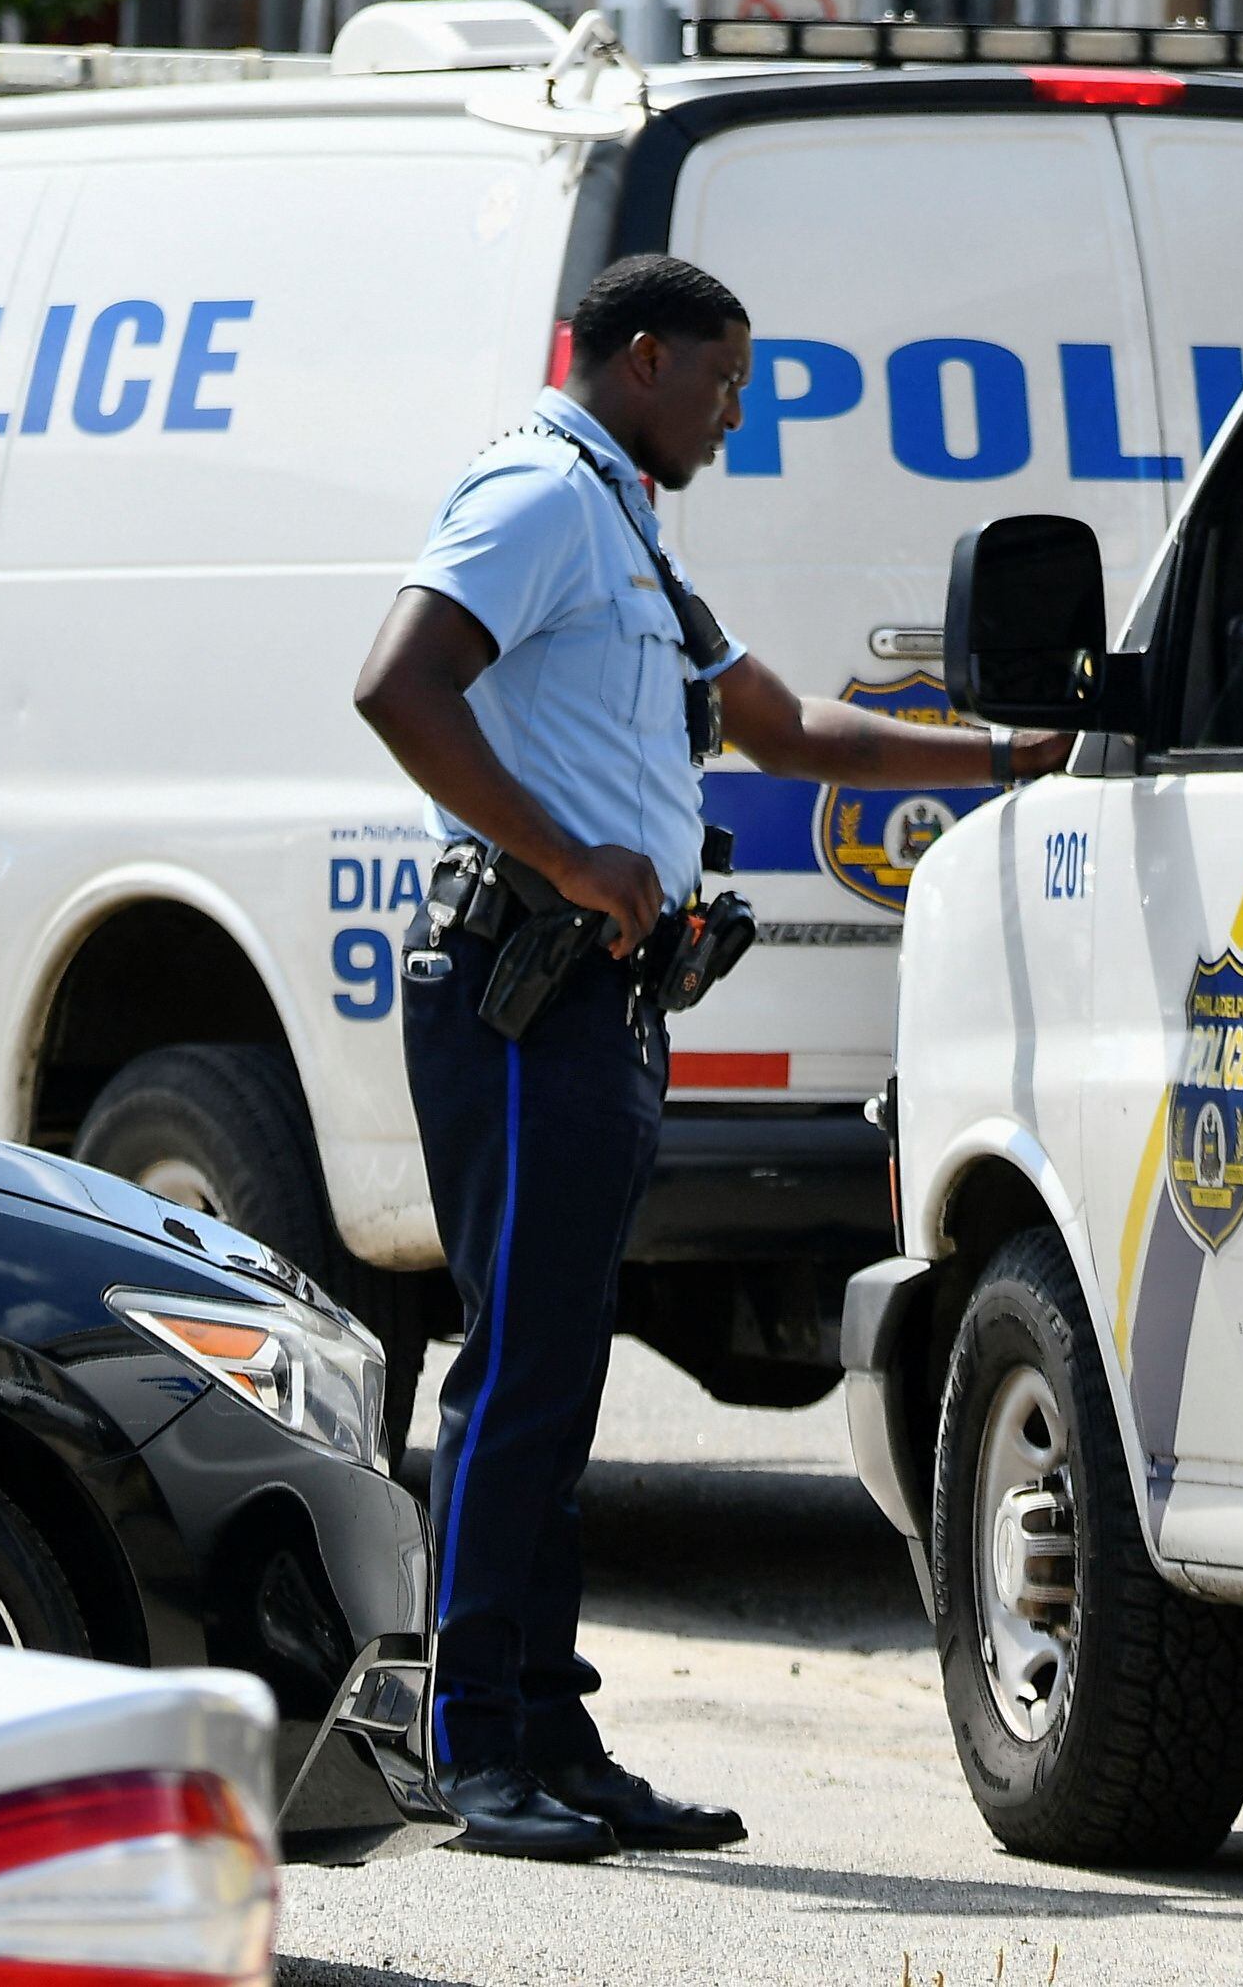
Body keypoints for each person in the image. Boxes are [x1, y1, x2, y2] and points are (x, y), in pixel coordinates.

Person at [351, 253, 1070, 1861]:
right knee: (519, 1373)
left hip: (598, 1006)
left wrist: (1017, 758)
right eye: (727, 384)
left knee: (559, 1375)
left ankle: (552, 1729)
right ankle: (474, 1748)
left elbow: (794, 728)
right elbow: (398, 683)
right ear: (646, 357)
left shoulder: (627, 526)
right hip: (522, 988)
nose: (738, 416)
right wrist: (572, 854)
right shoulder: (539, 495)